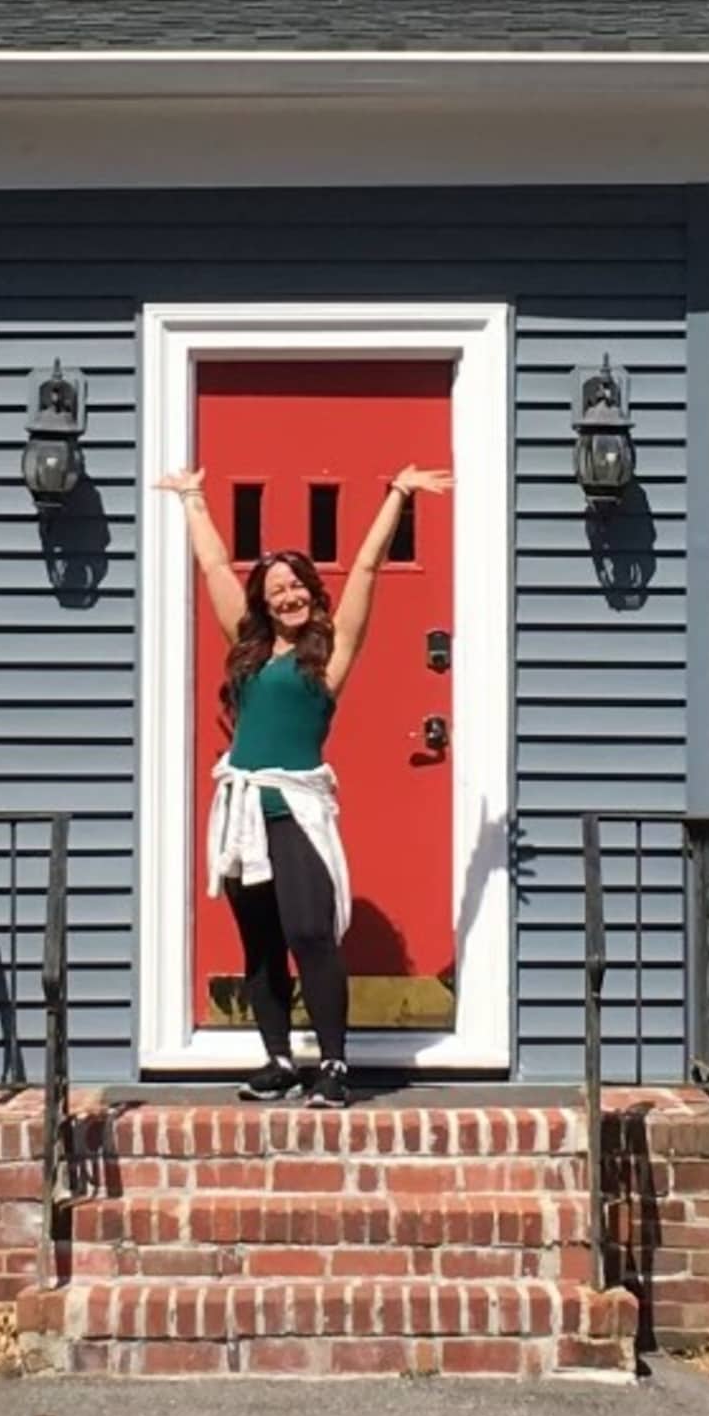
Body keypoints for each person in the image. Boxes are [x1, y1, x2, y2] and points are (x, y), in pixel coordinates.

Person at [158, 454, 450, 1098]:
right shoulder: (250, 646)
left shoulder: (330, 653)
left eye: (296, 586)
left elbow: (368, 568)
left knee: (311, 933)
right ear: (264, 601)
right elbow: (212, 566)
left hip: (297, 810)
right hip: (242, 809)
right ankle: (278, 1060)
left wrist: (397, 493)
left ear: (311, 593)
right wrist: (192, 501)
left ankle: (335, 1064)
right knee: (260, 944)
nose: (286, 596)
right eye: (274, 589)